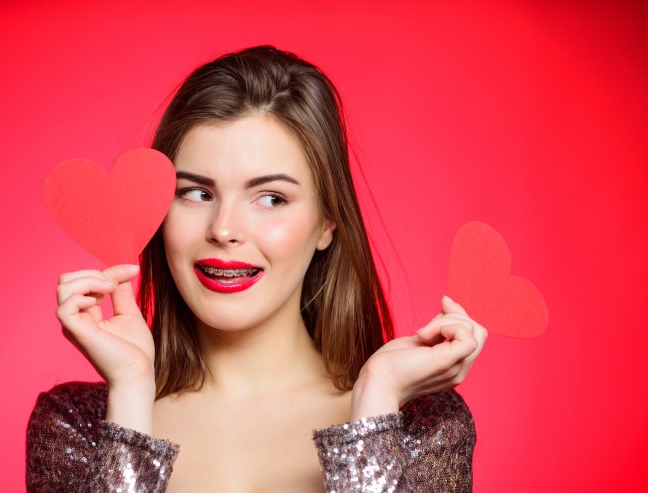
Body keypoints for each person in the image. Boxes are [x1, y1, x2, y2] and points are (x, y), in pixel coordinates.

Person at [25, 45, 488, 493]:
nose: (224, 230)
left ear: (328, 222)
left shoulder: (418, 423)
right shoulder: (79, 423)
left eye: (271, 198)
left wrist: (374, 405)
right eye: (196, 193)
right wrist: (129, 397)